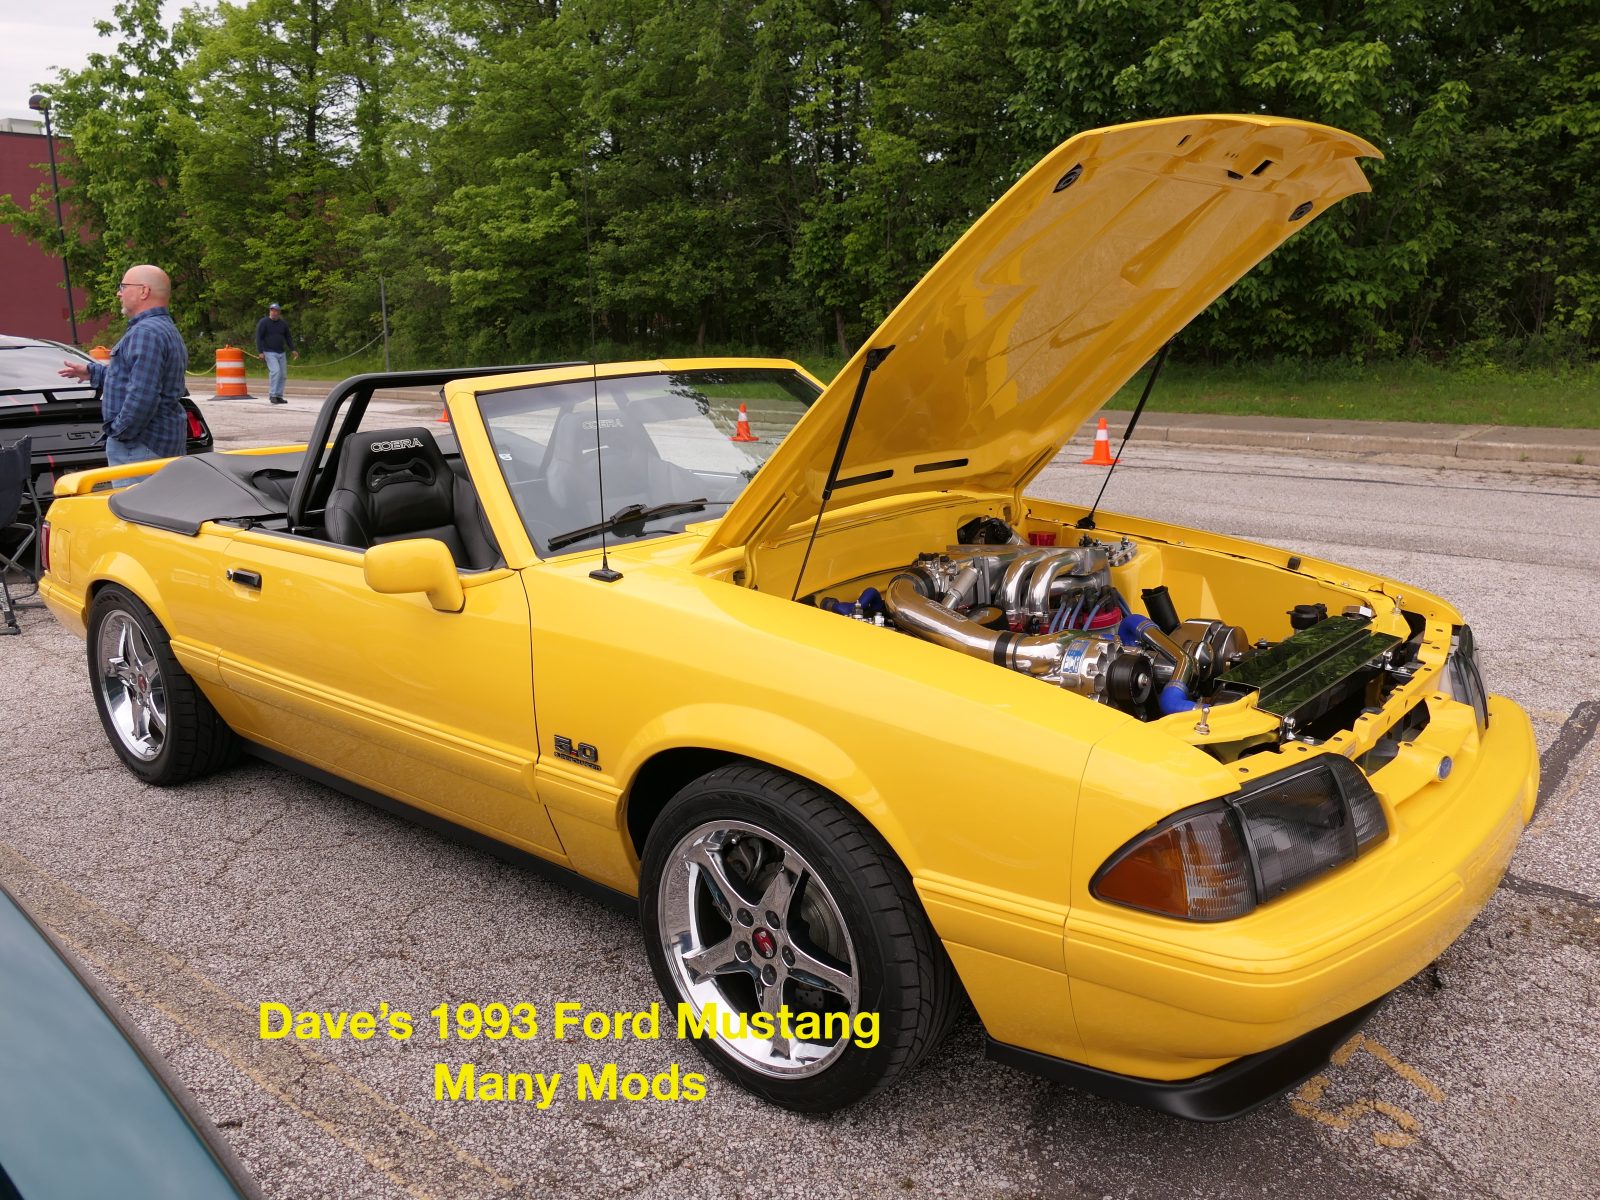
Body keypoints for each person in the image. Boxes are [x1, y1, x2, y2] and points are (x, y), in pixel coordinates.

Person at [58, 264, 188, 468]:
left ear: (144, 291)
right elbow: (136, 376)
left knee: (135, 492)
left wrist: (119, 431)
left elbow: (143, 394)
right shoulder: (161, 328)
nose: (119, 293)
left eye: (123, 286)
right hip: (153, 444)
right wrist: (93, 372)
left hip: (140, 447)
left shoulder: (145, 332)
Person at [254, 301, 298, 404]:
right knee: (275, 371)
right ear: (269, 311)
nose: (274, 313)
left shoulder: (283, 324)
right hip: (269, 352)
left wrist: (293, 349)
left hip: (281, 352)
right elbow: (259, 338)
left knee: (283, 375)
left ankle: (278, 396)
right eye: (272, 311)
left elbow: (288, 337)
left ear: (279, 312)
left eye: (276, 311)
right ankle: (272, 395)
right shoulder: (263, 322)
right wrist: (260, 352)